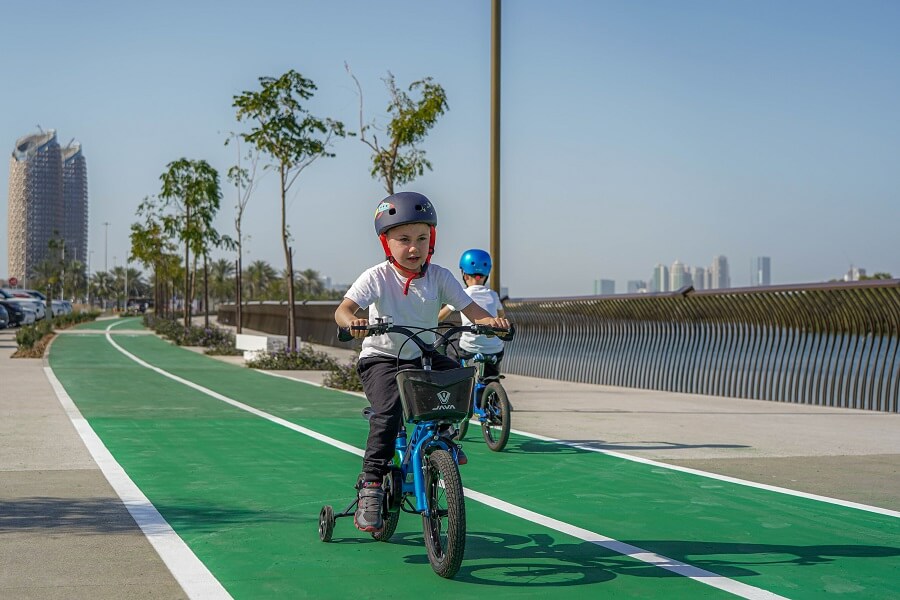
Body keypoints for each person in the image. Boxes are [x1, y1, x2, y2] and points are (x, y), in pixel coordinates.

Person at [334, 191, 511, 533]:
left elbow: (471, 310)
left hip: (421, 354)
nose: (414, 247)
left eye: (422, 238)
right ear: (386, 242)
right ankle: (371, 484)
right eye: (404, 240)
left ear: (432, 240)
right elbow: (343, 310)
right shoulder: (376, 277)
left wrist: (492, 323)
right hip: (382, 358)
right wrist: (352, 322)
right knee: (388, 413)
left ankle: (444, 435)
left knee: (460, 378)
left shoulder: (440, 277)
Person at [438, 249, 505, 379]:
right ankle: (491, 382)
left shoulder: (463, 294)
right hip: (495, 349)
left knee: (451, 348)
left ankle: (456, 380)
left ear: (464, 274)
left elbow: (440, 316)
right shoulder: (493, 295)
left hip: (469, 348)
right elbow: (501, 316)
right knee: (491, 371)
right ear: (486, 275)